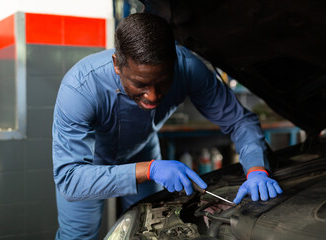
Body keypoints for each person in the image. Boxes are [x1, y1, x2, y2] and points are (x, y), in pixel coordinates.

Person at [52, 13, 283, 239]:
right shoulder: (80, 89)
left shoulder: (189, 68)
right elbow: (70, 179)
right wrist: (151, 169)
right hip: (89, 165)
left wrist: (256, 169)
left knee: (149, 228)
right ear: (117, 65)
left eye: (162, 82)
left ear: (174, 62)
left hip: (143, 147)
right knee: (78, 235)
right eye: (140, 84)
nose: (152, 96)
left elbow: (239, 120)